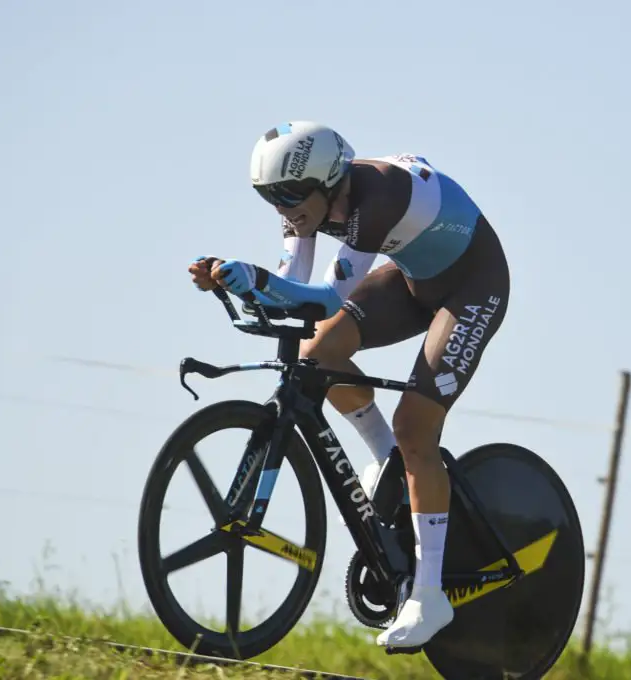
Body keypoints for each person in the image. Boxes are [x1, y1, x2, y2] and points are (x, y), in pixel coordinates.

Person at [187, 121, 510, 650]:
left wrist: (258, 281)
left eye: (290, 195)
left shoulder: (376, 196)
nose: (283, 208)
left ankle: (429, 596)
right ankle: (387, 460)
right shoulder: (308, 205)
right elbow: (293, 285)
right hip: (414, 278)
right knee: (317, 353)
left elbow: (324, 299)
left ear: (327, 180)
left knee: (415, 427)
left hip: (474, 286)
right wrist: (237, 281)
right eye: (271, 197)